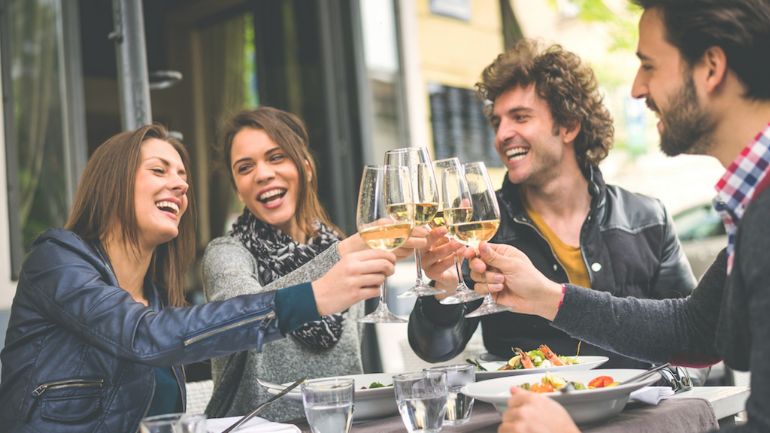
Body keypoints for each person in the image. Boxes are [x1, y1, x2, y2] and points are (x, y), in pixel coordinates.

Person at [466, 1, 770, 432]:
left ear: (711, 67)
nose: (636, 89)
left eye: (648, 65)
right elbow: (695, 328)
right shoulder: (754, 204)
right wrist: (547, 297)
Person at [0, 124, 397, 433]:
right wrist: (312, 297)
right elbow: (145, 336)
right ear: (113, 184)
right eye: (159, 170)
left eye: (183, 176)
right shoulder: (55, 261)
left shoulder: (157, 297)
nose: (181, 184)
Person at [409, 39, 695, 369]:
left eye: (520, 117)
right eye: (497, 122)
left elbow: (693, 336)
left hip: (638, 411)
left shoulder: (647, 218)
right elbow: (434, 348)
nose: (502, 135)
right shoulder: (482, 225)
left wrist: (666, 390)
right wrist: (443, 290)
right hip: (531, 413)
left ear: (569, 125)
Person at [203, 107, 376, 421]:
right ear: (238, 189)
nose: (263, 174)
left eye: (276, 157)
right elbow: (246, 314)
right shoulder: (226, 254)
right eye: (245, 167)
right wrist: (340, 257)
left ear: (306, 167)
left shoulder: (336, 244)